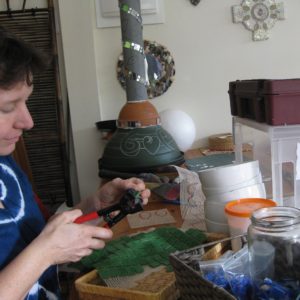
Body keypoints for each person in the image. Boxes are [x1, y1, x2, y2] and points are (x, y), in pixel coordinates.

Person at [0, 26, 150, 300]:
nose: (28, 122)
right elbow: (43, 250)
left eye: (26, 102)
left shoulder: (5, 165)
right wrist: (46, 253)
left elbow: (39, 237)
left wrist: (94, 207)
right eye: (7, 107)